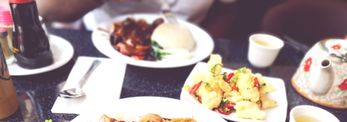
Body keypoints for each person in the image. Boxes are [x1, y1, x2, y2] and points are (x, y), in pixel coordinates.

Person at [35, 0, 239, 38]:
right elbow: (45, 8)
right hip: (103, 48)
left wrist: (204, 42)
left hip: (188, 55)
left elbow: (226, 10)